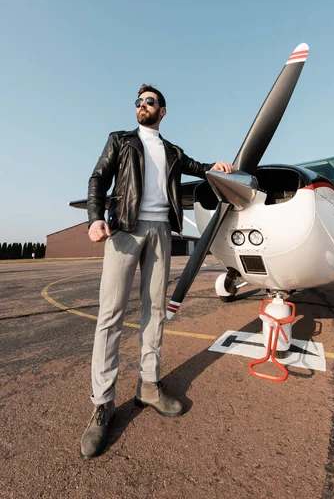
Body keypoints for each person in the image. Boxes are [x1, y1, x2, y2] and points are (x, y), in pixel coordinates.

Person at [80, 84, 233, 459]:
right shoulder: (120, 140)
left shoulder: (173, 151)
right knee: (110, 315)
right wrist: (94, 218)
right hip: (124, 230)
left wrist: (218, 166)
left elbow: (201, 168)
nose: (141, 105)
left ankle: (148, 385)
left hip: (162, 232)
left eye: (149, 101)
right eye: (138, 101)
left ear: (162, 111)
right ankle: (103, 404)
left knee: (154, 314)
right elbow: (98, 178)